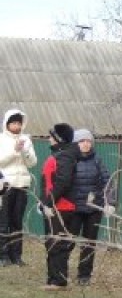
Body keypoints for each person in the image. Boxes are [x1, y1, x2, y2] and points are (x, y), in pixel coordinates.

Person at [67, 128, 115, 285]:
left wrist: (110, 202)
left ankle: (84, 275)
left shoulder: (97, 160)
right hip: (74, 208)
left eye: (88, 141)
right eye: (82, 141)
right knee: (68, 240)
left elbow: (107, 181)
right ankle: (60, 270)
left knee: (89, 243)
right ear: (76, 143)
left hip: (94, 209)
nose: (86, 144)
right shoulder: (70, 160)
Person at [41, 123, 79, 288]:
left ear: (59, 139)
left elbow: (62, 183)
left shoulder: (65, 156)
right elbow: (48, 182)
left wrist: (49, 202)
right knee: (51, 242)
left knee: (57, 242)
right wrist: (43, 203)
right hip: (53, 205)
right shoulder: (59, 154)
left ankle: (59, 280)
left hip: (61, 206)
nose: (49, 139)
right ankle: (52, 278)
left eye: (51, 136)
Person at [0, 109, 38, 267]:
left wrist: (23, 151)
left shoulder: (26, 140)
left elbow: (32, 163)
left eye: (19, 123)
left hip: (22, 184)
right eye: (13, 123)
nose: (16, 126)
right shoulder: (1, 139)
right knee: (3, 221)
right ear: (7, 124)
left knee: (17, 221)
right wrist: (14, 152)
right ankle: (3, 256)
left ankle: (16, 256)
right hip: (5, 185)